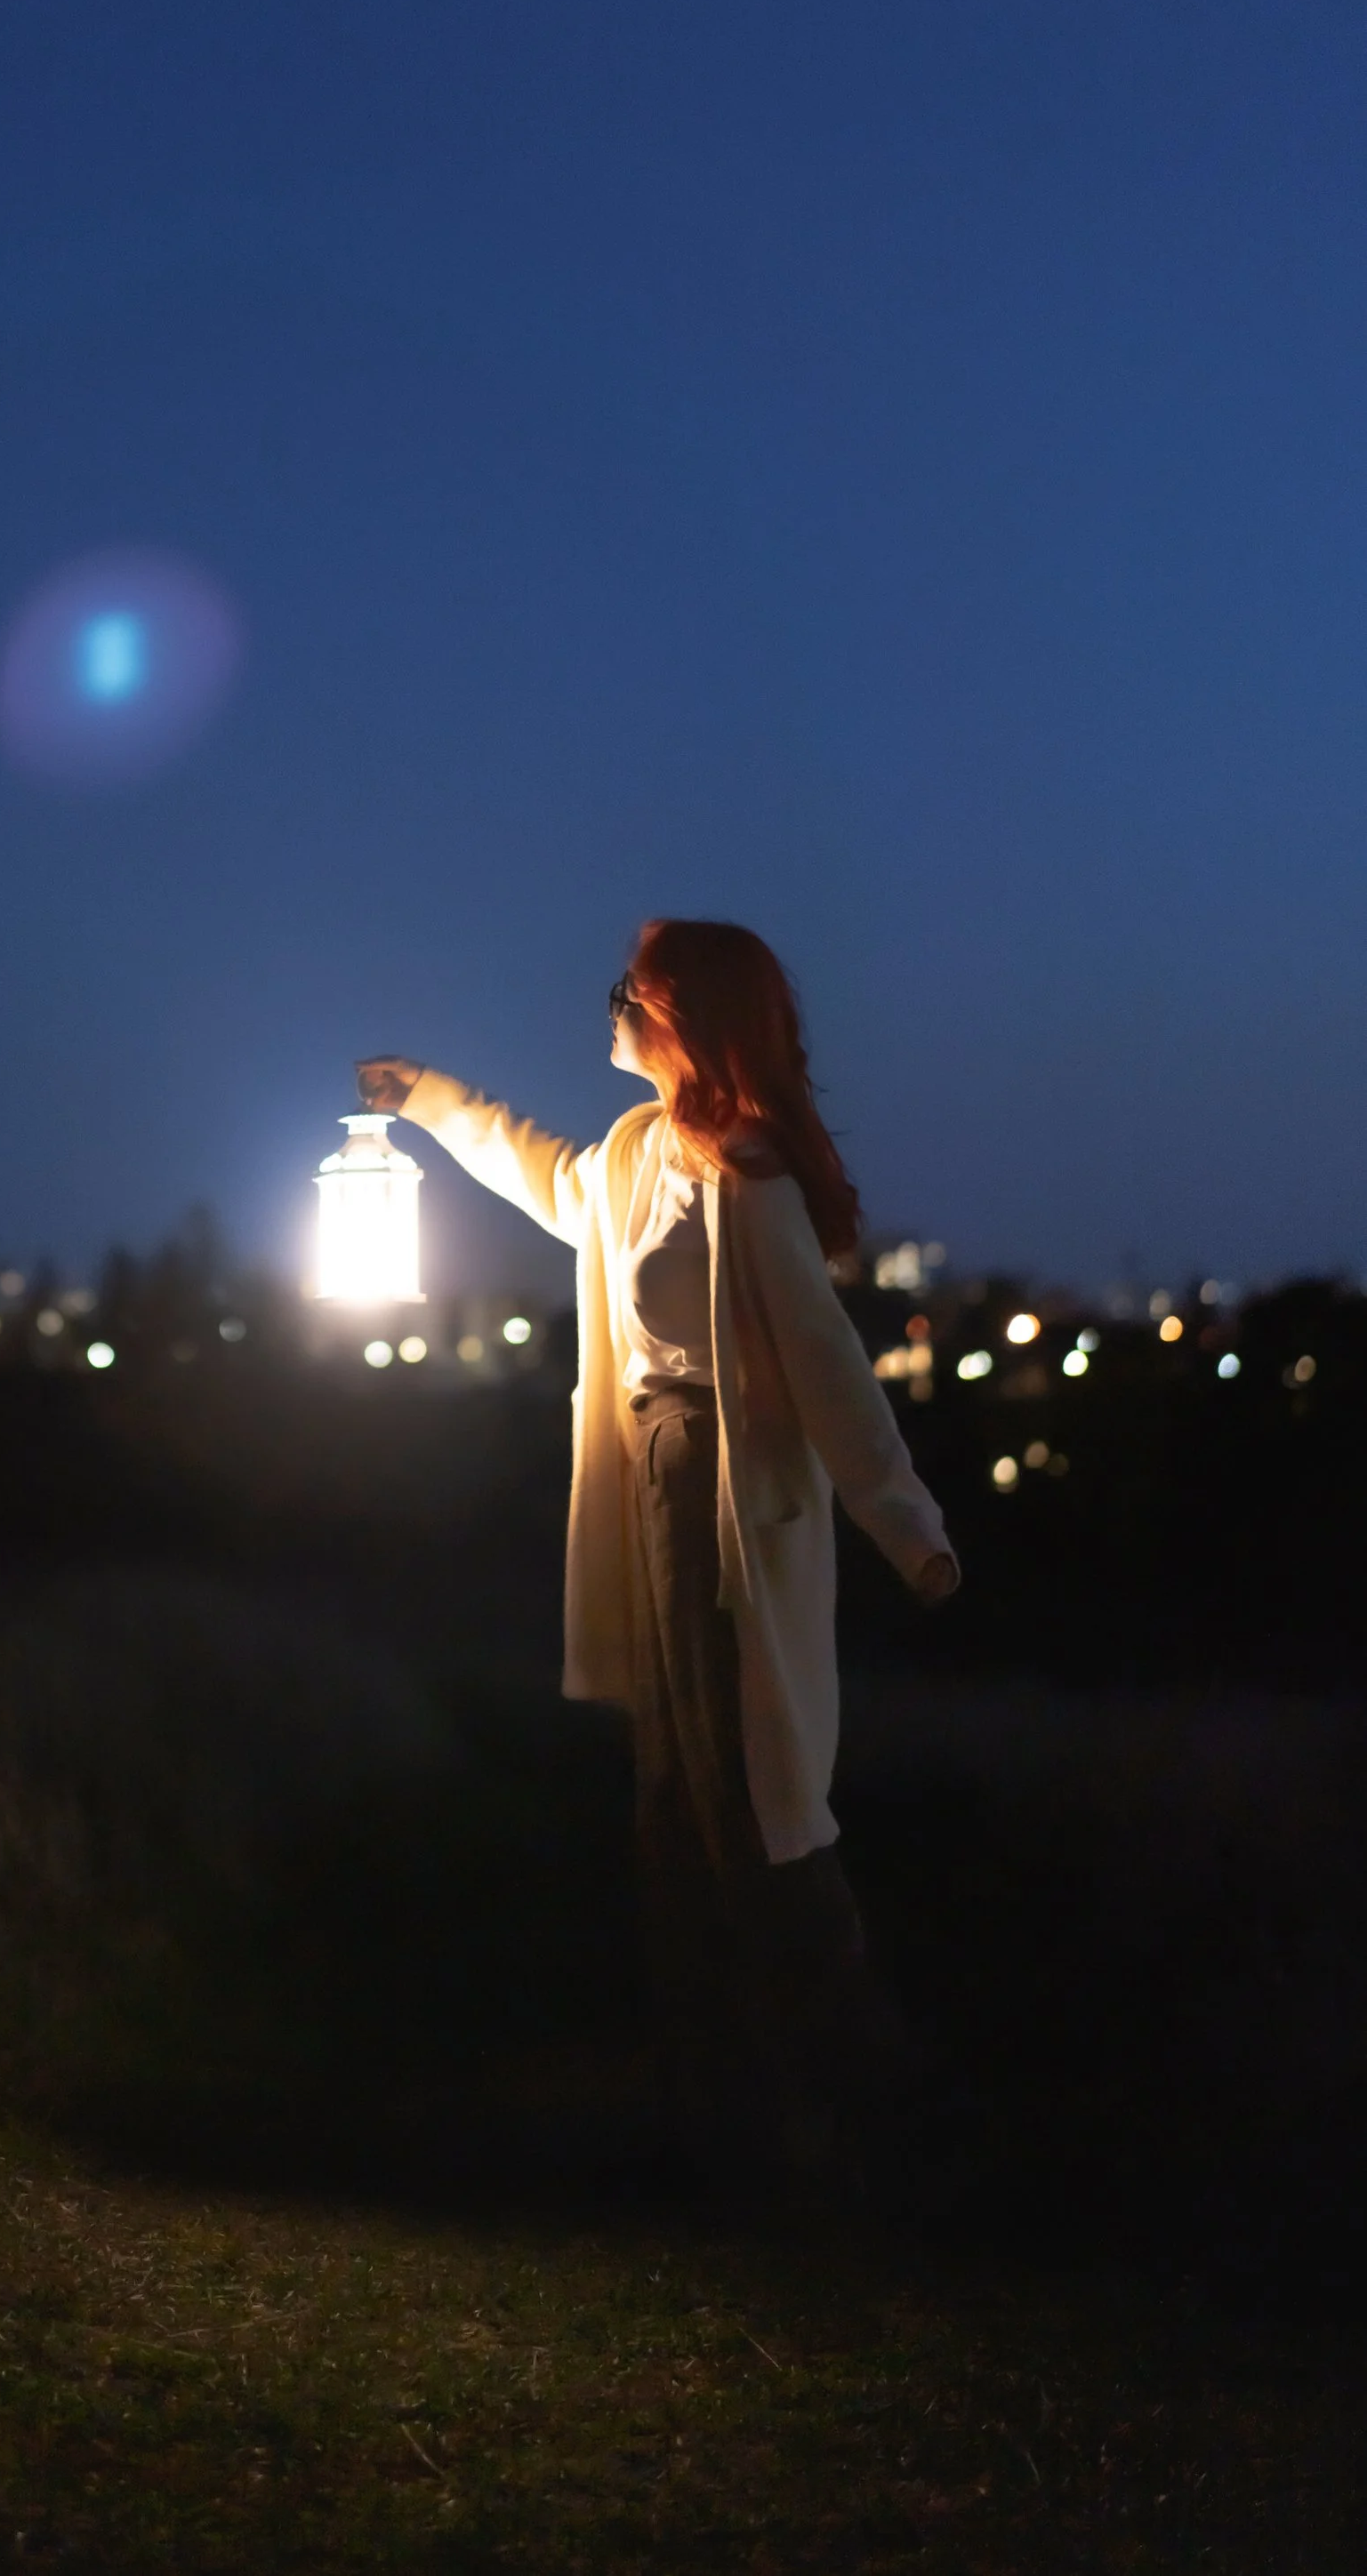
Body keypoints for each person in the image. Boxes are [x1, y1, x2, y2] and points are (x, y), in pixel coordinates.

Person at [359, 917, 961, 2199]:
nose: (612, 1008)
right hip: (650, 1479)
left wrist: (907, 1524)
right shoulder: (636, 1154)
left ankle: (854, 2099)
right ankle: (727, 2117)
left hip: (717, 1495)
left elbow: (830, 1370)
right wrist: (431, 1102)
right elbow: (538, 1170)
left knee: (748, 1800)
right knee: (676, 1807)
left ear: (684, 1016)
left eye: (630, 990)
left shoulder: (747, 1177)